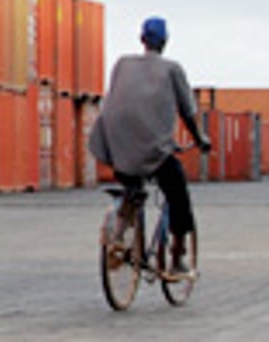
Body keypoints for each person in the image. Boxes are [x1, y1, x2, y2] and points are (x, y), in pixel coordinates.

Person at [88, 16, 211, 276]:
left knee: (132, 185)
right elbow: (188, 112)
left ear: (141, 39)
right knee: (178, 194)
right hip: (154, 150)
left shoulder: (121, 64)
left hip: (114, 148)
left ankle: (119, 232)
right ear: (165, 42)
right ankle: (177, 257)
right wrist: (200, 140)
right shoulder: (172, 69)